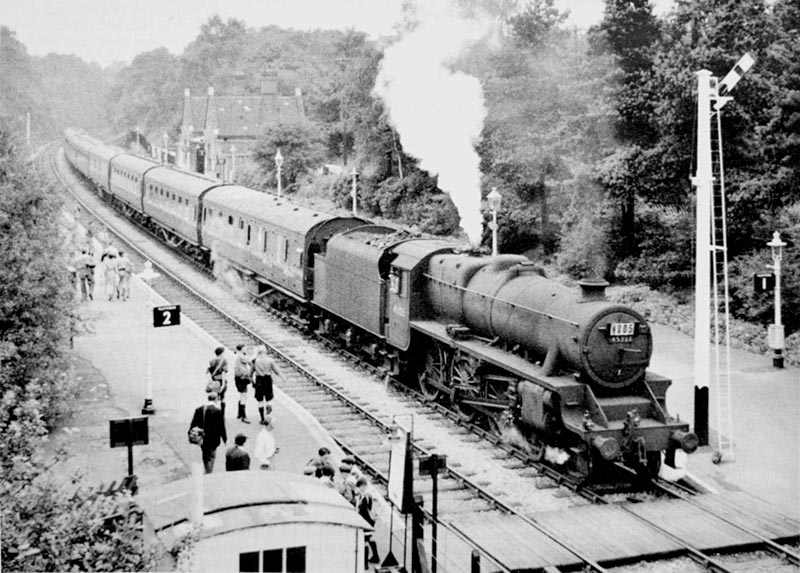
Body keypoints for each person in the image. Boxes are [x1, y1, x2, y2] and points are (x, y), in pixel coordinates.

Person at [189, 392, 227, 474]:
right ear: (216, 399)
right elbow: (221, 427)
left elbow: (193, 423)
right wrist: (225, 439)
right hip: (214, 439)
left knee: (205, 455)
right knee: (212, 456)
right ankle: (209, 473)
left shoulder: (199, 410)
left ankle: (207, 470)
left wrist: (190, 434)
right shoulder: (218, 411)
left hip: (202, 438)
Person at [252, 346, 285, 424]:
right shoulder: (270, 360)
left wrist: (253, 382)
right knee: (268, 399)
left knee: (260, 401)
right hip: (267, 380)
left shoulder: (255, 361)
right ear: (265, 352)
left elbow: (250, 374)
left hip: (259, 380)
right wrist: (283, 378)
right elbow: (277, 372)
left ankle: (262, 419)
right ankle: (268, 412)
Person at [356, 476, 380, 565]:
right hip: (370, 520)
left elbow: (362, 510)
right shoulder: (369, 495)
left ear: (362, 486)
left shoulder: (365, 496)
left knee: (364, 540)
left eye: (359, 487)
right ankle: (375, 556)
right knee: (370, 537)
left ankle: (365, 563)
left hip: (365, 520)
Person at [233, 344, 253, 423]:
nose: (246, 349)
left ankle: (239, 413)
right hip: (242, 377)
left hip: (238, 377)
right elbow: (250, 361)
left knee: (242, 395)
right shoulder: (241, 356)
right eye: (245, 348)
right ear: (241, 349)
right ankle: (244, 416)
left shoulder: (238, 355)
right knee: (244, 396)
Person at [207, 347, 228, 416]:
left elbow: (209, 372)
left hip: (214, 381)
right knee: (222, 398)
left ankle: (214, 414)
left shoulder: (211, 361)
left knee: (214, 397)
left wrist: (210, 381)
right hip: (221, 381)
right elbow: (223, 373)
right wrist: (223, 385)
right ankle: (222, 414)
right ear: (221, 353)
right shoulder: (224, 361)